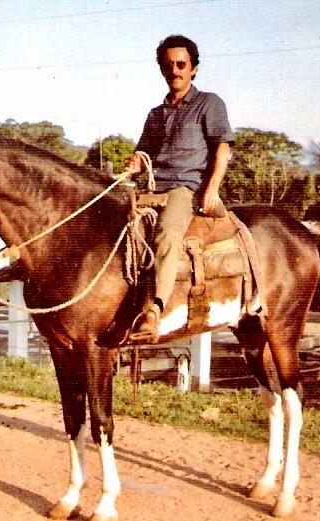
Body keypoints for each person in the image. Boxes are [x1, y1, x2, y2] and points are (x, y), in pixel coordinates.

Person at [99, 35, 234, 347]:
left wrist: (212, 189)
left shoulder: (209, 104)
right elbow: (142, 153)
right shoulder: (156, 114)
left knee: (167, 235)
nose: (174, 70)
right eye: (168, 65)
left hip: (184, 190)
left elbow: (222, 149)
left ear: (194, 69)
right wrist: (134, 163)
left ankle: (154, 309)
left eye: (181, 64)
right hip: (151, 188)